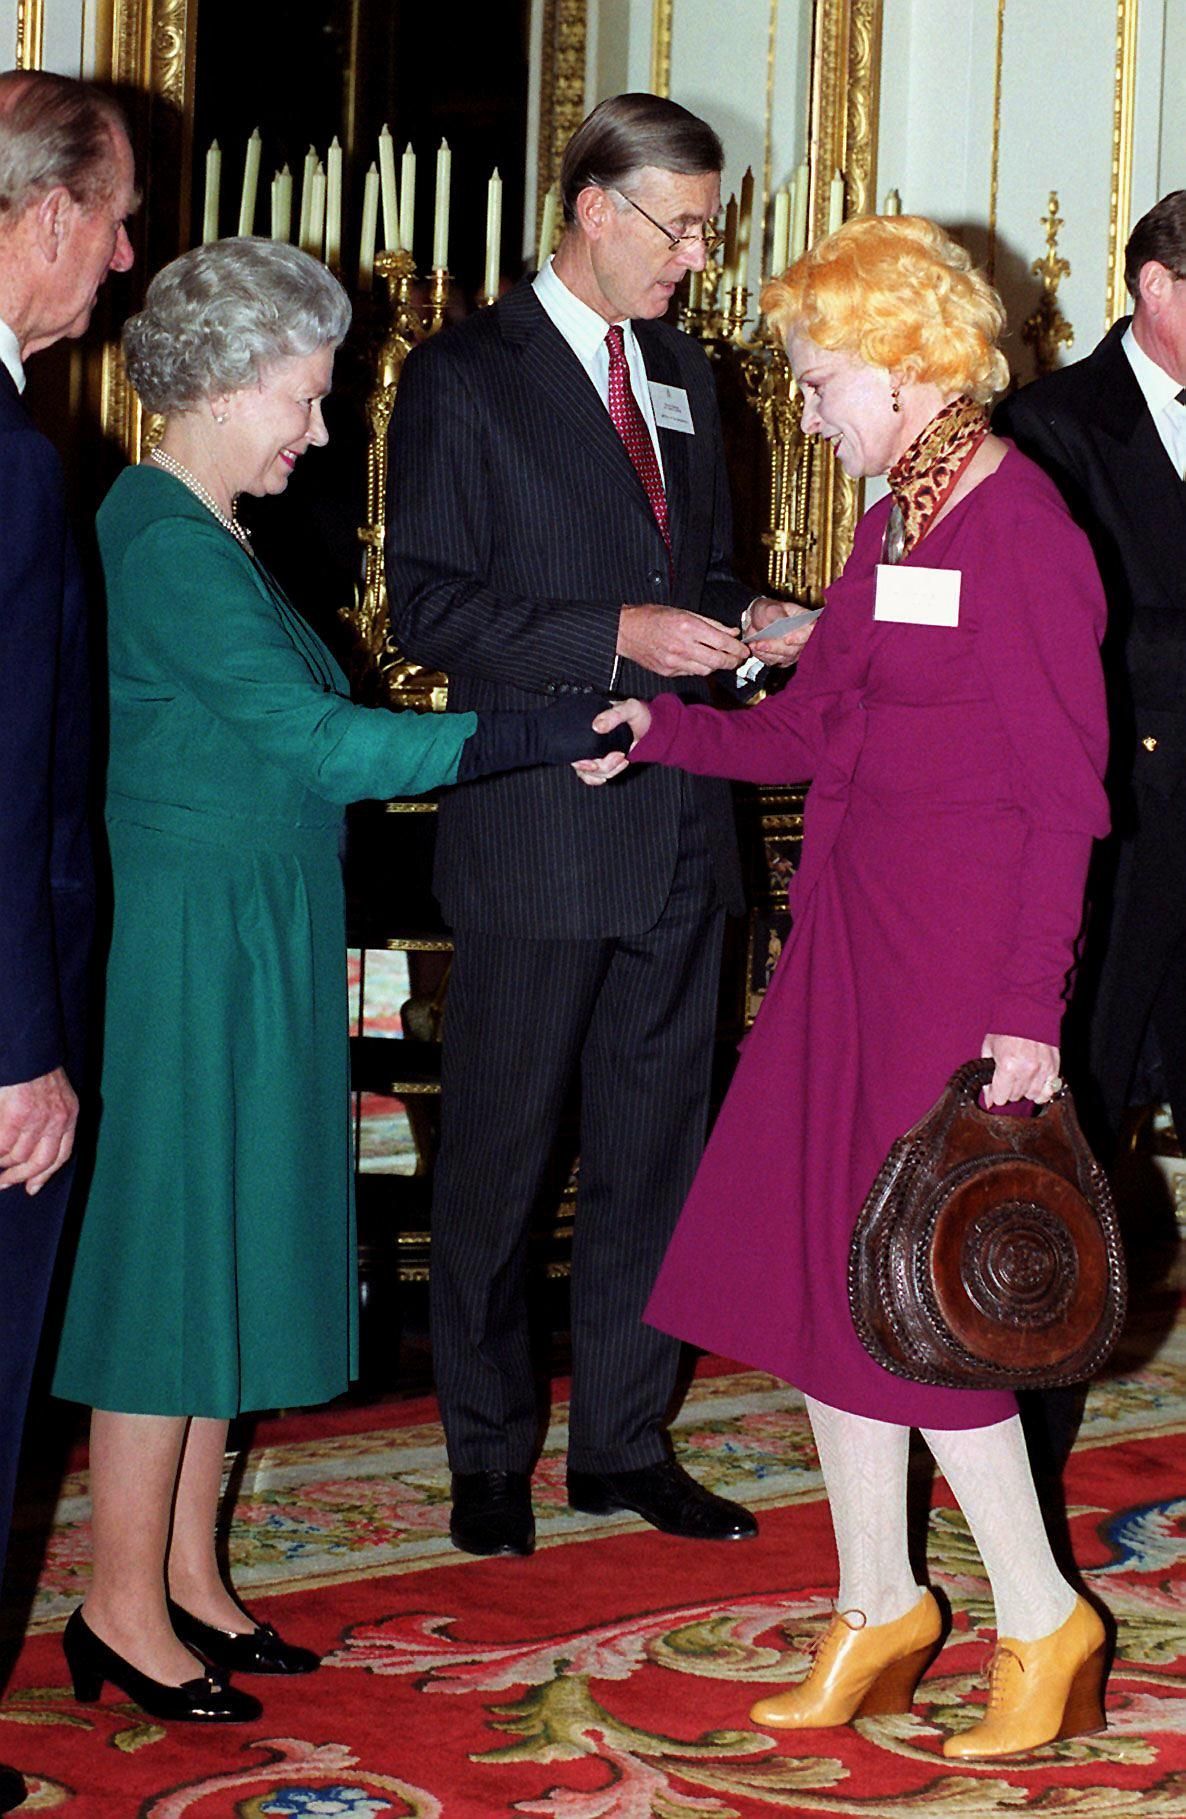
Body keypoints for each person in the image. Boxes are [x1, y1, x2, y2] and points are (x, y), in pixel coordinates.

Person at [48, 236, 629, 1727]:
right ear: (228, 383)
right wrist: (531, 730)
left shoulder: (205, 525)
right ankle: (117, 1602)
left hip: (246, 925)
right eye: (303, 400)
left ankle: (184, 1572)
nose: (317, 432)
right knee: (173, 1268)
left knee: (229, 1249)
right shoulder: (160, 534)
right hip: (188, 944)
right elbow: (325, 747)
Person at [575, 215, 1114, 1760]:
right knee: (826, 1279)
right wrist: (660, 732)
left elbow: (1068, 799)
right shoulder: (895, 525)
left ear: (898, 366)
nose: (803, 407)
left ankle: (1035, 1612)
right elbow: (817, 732)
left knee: (927, 1303)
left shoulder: (1020, 532)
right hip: (847, 953)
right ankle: (876, 1598)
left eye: (817, 379)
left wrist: (1029, 1013)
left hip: (958, 975)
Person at [387, 93, 812, 1561]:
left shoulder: (688, 372)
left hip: (683, 820)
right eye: (679, 226)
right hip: (537, 830)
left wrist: (747, 615)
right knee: (499, 1158)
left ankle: (623, 1441)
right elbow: (427, 604)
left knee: (656, 1156)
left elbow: (693, 565)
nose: (697, 257)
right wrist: (606, 631)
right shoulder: (464, 374)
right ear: (592, 207)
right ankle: (487, 1452)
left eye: (708, 227)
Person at [0, 69, 136, 1815]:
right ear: (36, 216)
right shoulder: (15, 466)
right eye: (108, 217)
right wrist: (20, 1047)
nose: (120, 256)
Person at [996, 192, 1186, 1162]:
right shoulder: (1048, 424)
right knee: (1084, 1113)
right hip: (1121, 817)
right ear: (1156, 287)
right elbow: (1057, 633)